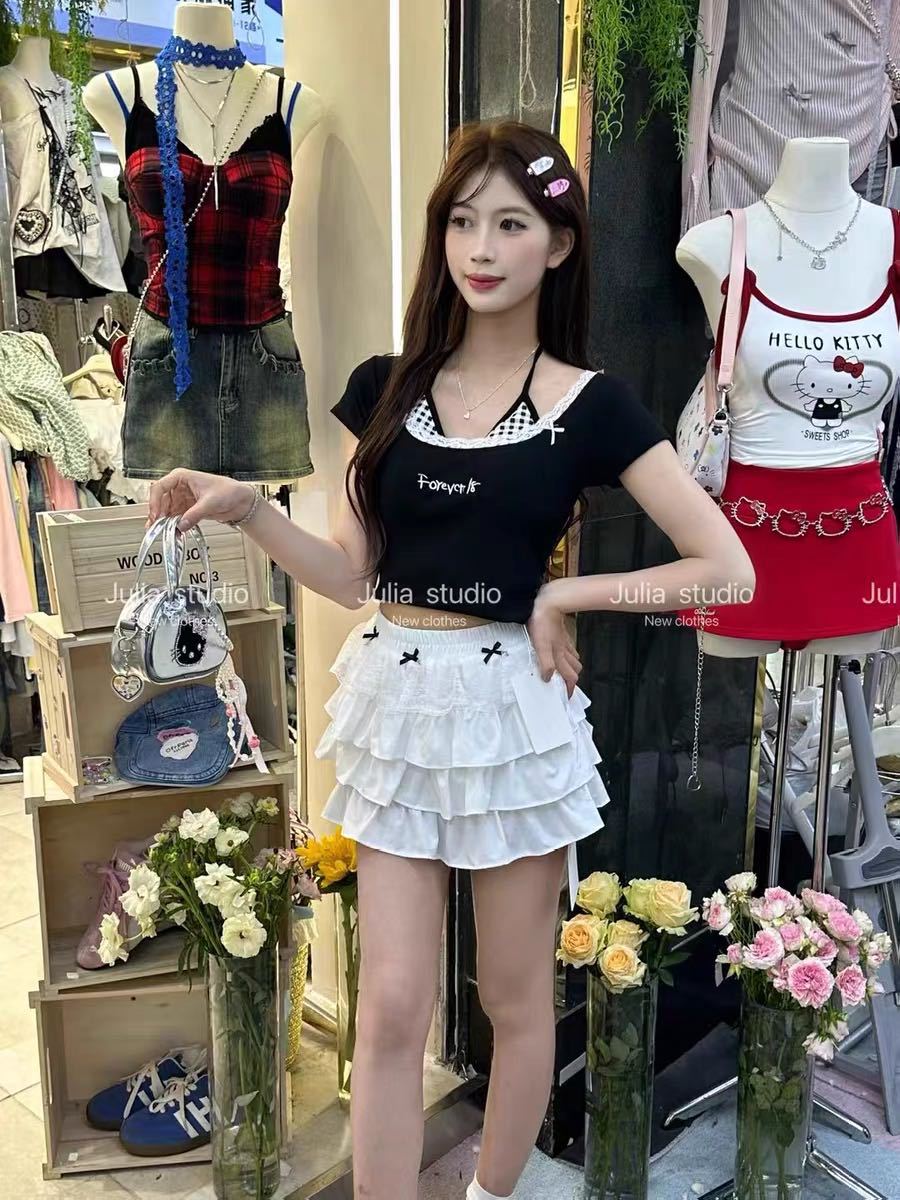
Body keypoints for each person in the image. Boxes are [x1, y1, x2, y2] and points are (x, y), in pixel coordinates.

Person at [147, 120, 755, 1200]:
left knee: (512, 1001)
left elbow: (727, 568)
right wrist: (249, 510)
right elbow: (350, 577)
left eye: (511, 224)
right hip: (397, 700)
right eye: (462, 221)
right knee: (390, 1005)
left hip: (512, 712)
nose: (481, 247)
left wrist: (564, 593)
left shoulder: (592, 403)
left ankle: (486, 1194)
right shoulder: (386, 388)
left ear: (558, 246)